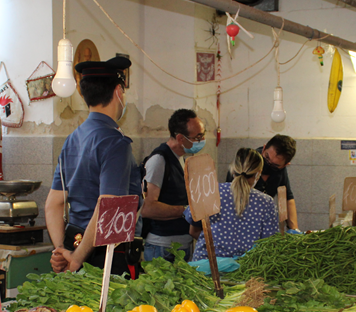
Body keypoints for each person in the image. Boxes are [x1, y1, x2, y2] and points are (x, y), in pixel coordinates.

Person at [45, 56, 143, 278]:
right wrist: (76, 258)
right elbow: (107, 208)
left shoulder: (72, 140)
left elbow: (53, 204)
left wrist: (64, 250)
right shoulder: (115, 142)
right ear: (118, 91)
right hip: (108, 260)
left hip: (76, 248)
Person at [184, 148, 277, 261]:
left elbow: (193, 230)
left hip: (205, 266)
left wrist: (219, 247)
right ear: (258, 173)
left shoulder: (210, 191)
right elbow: (268, 244)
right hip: (244, 270)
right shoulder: (266, 202)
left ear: (233, 170)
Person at [140, 109, 205, 262]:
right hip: (163, 249)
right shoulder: (159, 161)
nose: (201, 140)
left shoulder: (181, 159)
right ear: (181, 138)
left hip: (180, 245)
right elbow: (147, 208)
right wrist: (186, 210)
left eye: (202, 135)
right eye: (197, 137)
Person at [226, 134, 298, 229]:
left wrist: (294, 230)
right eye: (267, 157)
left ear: (285, 165)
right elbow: (229, 198)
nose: (268, 164)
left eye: (275, 165)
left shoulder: (279, 173)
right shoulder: (247, 162)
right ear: (264, 148)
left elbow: (286, 197)